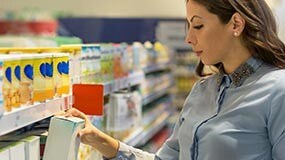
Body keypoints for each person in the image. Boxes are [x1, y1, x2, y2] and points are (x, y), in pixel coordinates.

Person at [62, 0, 285, 159]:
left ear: (236, 24)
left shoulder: (277, 90)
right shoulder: (202, 91)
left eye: (198, 25)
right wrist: (99, 139)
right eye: (188, 26)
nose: (189, 38)